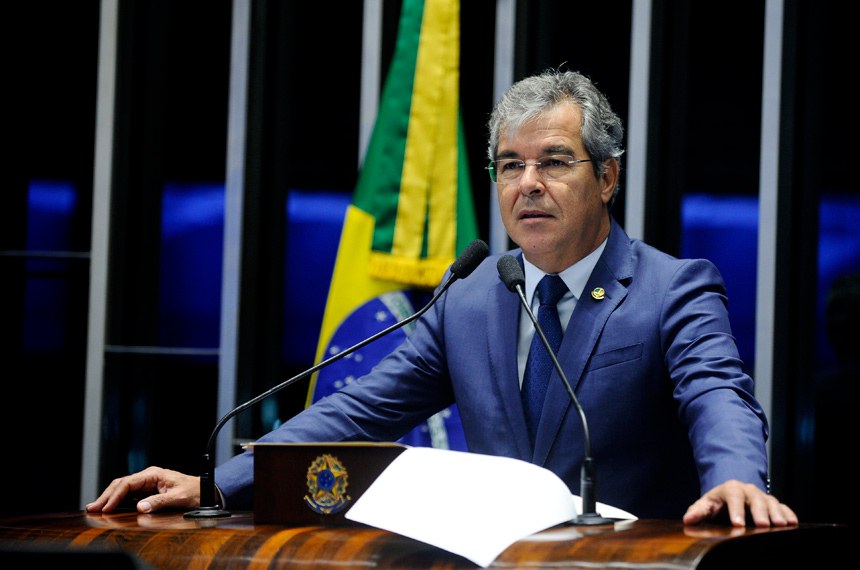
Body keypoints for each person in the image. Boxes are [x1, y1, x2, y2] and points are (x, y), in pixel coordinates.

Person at [87, 69, 797, 527]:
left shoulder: (673, 288)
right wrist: (219, 484)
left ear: (607, 178)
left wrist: (737, 480)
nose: (528, 183)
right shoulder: (472, 297)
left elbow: (718, 395)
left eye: (554, 162)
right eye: (510, 165)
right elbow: (359, 411)